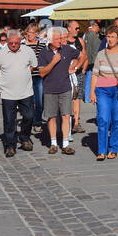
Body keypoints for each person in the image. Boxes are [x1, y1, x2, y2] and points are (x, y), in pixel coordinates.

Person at [0, 29, 39, 157]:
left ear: (20, 41)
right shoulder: (1, 53)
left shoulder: (27, 51)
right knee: (9, 120)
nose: (14, 45)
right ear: (7, 42)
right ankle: (10, 145)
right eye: (11, 43)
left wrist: (24, 75)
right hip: (8, 93)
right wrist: (4, 77)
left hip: (26, 91)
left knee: (29, 116)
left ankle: (25, 137)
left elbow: (33, 65)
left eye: (16, 43)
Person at [93, 26, 118, 160]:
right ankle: (101, 150)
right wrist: (92, 92)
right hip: (103, 90)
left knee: (117, 120)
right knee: (103, 119)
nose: (110, 39)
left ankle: (113, 148)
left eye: (113, 37)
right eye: (108, 37)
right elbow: (94, 74)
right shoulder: (101, 54)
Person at [38, 27, 77, 155]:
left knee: (66, 115)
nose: (60, 40)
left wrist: (74, 65)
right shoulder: (44, 53)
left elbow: (82, 56)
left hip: (65, 88)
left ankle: (65, 144)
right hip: (50, 89)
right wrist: (54, 62)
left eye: (61, 38)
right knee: (51, 116)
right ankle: (53, 143)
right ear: (50, 40)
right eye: (57, 38)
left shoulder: (67, 49)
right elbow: (42, 73)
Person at [23, 22, 45, 134]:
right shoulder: (23, 45)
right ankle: (29, 120)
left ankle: (37, 122)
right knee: (28, 101)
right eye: (27, 32)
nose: (28, 34)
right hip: (26, 77)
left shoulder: (42, 45)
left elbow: (45, 59)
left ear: (36, 33)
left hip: (38, 76)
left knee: (40, 101)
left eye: (31, 32)